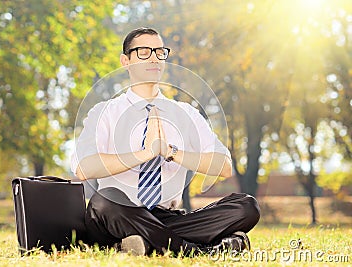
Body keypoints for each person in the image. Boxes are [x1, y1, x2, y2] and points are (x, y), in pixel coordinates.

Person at [71, 27, 260, 256]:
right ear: (125, 61)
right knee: (103, 201)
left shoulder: (186, 113)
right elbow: (84, 167)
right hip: (118, 214)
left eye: (160, 52)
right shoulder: (104, 112)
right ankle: (200, 250)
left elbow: (224, 166)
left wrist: (170, 151)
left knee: (246, 207)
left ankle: (143, 243)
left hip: (167, 215)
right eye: (144, 51)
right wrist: (145, 154)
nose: (154, 57)